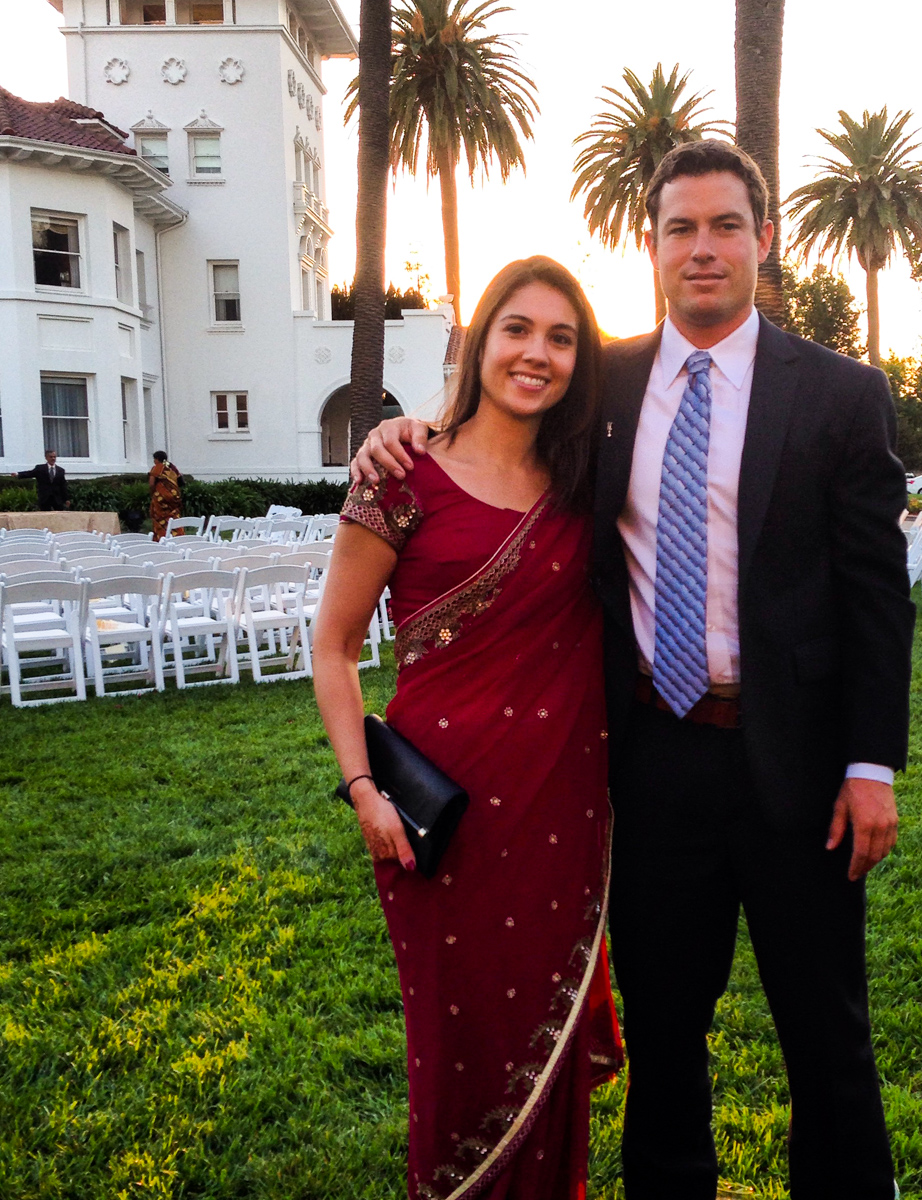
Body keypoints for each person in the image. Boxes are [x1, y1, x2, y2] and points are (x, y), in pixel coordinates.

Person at [353, 140, 915, 1200]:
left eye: (725, 226)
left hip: (802, 773)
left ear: (763, 239)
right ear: (650, 246)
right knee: (664, 1036)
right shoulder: (600, 382)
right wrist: (404, 432)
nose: (702, 249)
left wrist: (871, 763)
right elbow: (496, 418)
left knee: (827, 1035)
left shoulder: (841, 395)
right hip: (653, 767)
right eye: (679, 228)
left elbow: (877, 598)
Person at [312, 257, 623, 1200]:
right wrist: (363, 790)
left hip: (559, 816)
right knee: (459, 1054)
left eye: (561, 338)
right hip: (437, 823)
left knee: (544, 1060)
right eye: (518, 329)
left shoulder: (588, 482)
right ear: (479, 339)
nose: (537, 354)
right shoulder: (401, 474)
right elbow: (333, 647)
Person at [147, 451, 183, 540]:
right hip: (174, 497)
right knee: (173, 516)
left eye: (154, 459)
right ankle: (177, 535)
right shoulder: (171, 467)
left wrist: (152, 492)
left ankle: (161, 537)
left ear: (157, 459)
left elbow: (151, 483)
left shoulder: (157, 467)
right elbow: (180, 481)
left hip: (161, 498)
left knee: (160, 518)